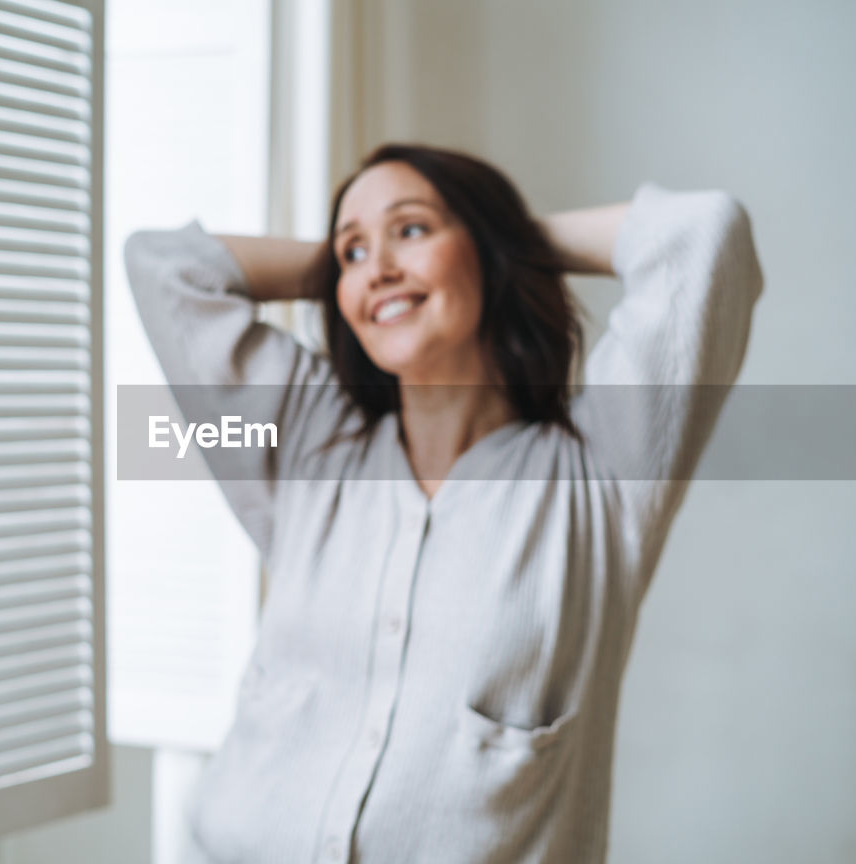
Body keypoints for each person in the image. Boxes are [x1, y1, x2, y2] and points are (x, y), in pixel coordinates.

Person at [122, 142, 764, 863]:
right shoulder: (308, 450)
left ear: (487, 256)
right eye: (353, 251)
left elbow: (703, 234)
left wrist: (512, 240)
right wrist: (372, 268)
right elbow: (164, 267)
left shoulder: (601, 474)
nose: (379, 266)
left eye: (413, 230)